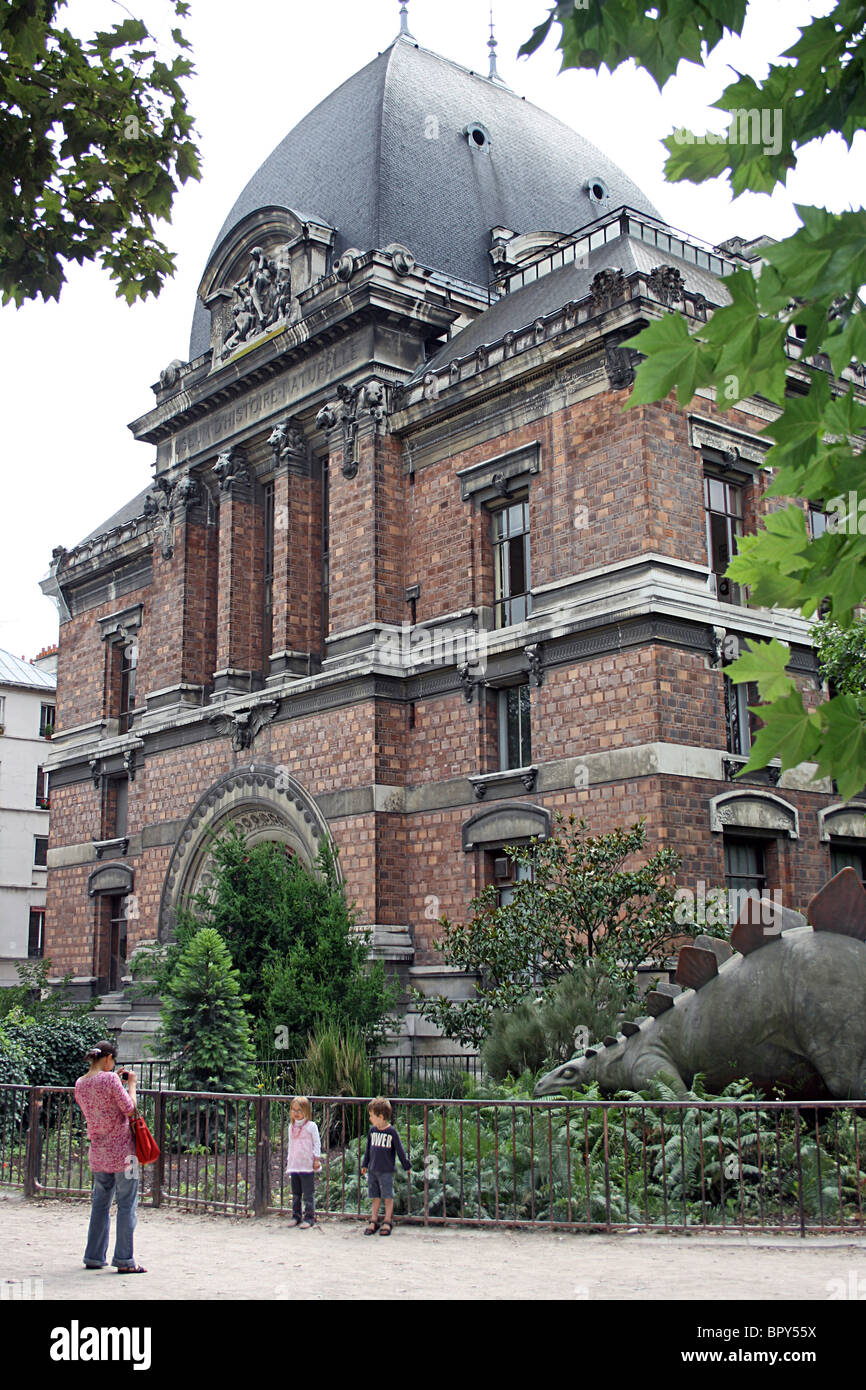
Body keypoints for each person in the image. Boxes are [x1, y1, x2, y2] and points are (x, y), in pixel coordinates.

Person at [73, 1041, 145, 1273]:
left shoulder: (80, 1084)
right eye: (113, 1060)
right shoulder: (111, 1080)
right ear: (107, 1059)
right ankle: (124, 1260)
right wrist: (131, 1085)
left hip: (99, 1153)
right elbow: (130, 1109)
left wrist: (113, 1078)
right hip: (125, 1153)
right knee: (127, 1204)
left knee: (100, 1204)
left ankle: (93, 1256)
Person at [361, 1097, 411, 1237]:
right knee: (375, 1196)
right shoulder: (372, 1131)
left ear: (381, 1117)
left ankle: (388, 1220)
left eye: (372, 1116)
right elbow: (368, 1150)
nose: (370, 1119)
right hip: (373, 1170)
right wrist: (365, 1164)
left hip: (387, 1171)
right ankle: (374, 1219)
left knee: (388, 1196)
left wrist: (406, 1165)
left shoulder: (391, 1132)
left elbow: (400, 1150)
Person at [285, 1096, 322, 1228]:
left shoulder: (311, 1126)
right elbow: (290, 1144)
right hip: (295, 1164)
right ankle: (296, 1216)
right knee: (296, 1193)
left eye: (299, 1110)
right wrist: (289, 1160)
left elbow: (317, 1143)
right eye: (293, 1110)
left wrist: (316, 1159)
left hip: (307, 1164)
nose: (296, 1113)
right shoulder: (291, 1127)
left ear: (306, 1111)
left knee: (308, 1193)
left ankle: (309, 1217)